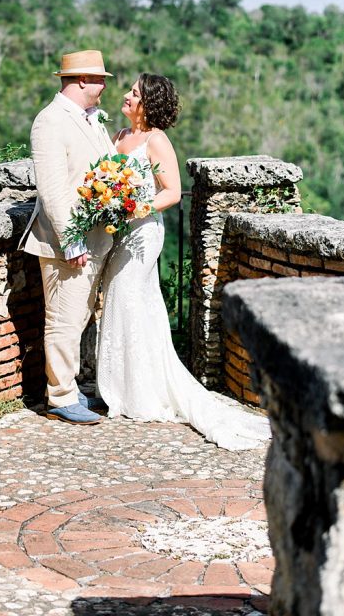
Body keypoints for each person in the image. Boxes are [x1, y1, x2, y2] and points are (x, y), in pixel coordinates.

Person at [97, 72, 271, 451]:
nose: (126, 95)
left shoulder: (156, 141)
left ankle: (143, 392)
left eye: (134, 92)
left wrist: (134, 208)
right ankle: (122, 389)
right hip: (120, 232)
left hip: (143, 233)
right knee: (122, 300)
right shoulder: (120, 138)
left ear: (148, 103)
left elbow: (172, 192)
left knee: (130, 296)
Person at [20, 50, 116, 425]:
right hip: (67, 243)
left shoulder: (92, 121)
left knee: (78, 317)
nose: (104, 85)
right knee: (63, 316)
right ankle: (59, 395)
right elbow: (53, 190)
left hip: (96, 239)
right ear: (80, 81)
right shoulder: (49, 122)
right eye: (99, 79)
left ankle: (71, 387)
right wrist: (71, 240)